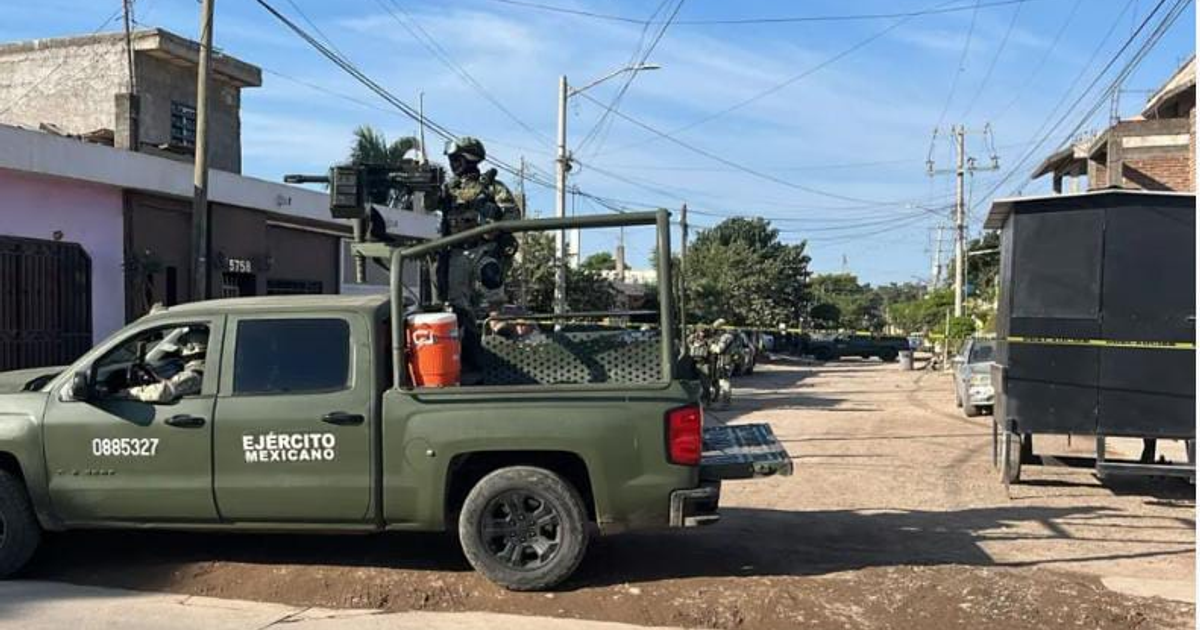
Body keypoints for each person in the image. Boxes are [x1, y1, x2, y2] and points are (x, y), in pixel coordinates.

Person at [121, 329, 207, 403]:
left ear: (191, 347)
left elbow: (163, 392)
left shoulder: (194, 376)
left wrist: (129, 393)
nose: (180, 349)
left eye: (183, 344)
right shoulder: (204, 368)